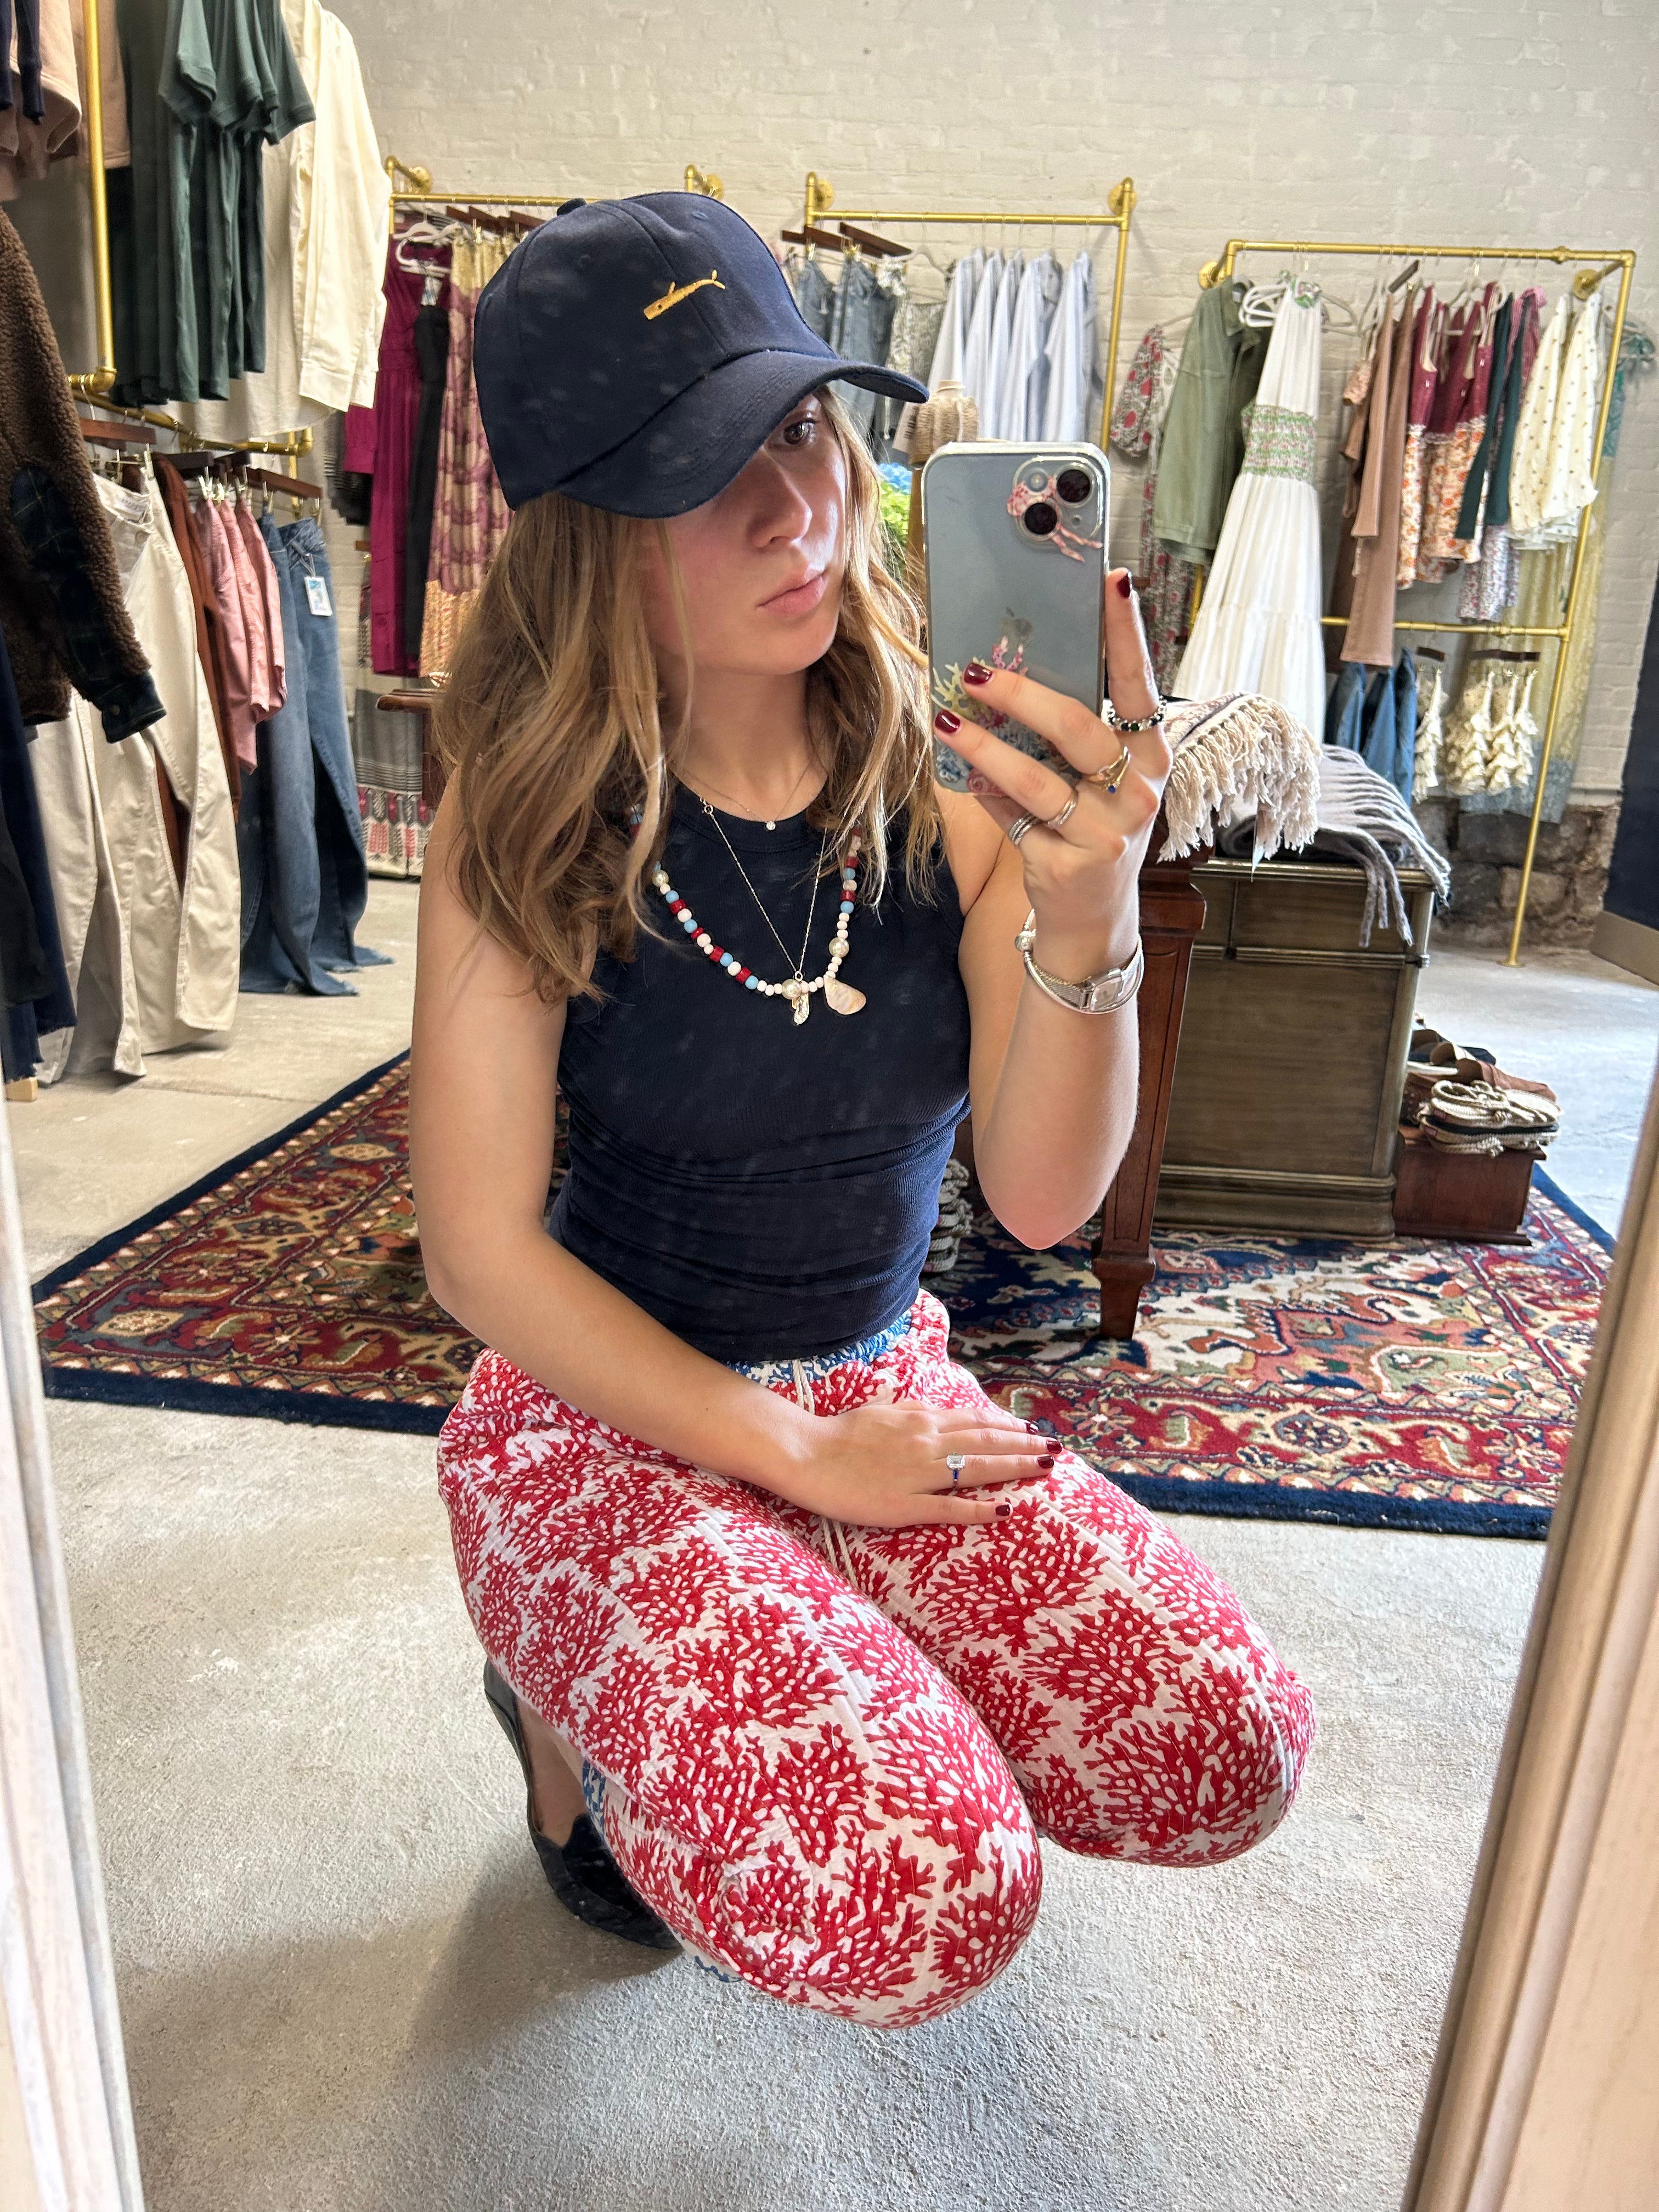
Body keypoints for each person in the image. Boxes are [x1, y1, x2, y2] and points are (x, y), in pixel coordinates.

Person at [410, 193, 1314, 2032]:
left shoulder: (954, 773)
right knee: (912, 1899)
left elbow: (1045, 1205)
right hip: (599, 1407)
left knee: (1229, 1749)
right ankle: (563, 1708)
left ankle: (792, 1603)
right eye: (707, 466)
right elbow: (477, 1251)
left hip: (876, 1372)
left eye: (805, 426)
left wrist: (1089, 914)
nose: (800, 505)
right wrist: (790, 1462)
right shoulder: (525, 814)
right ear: (579, 530)